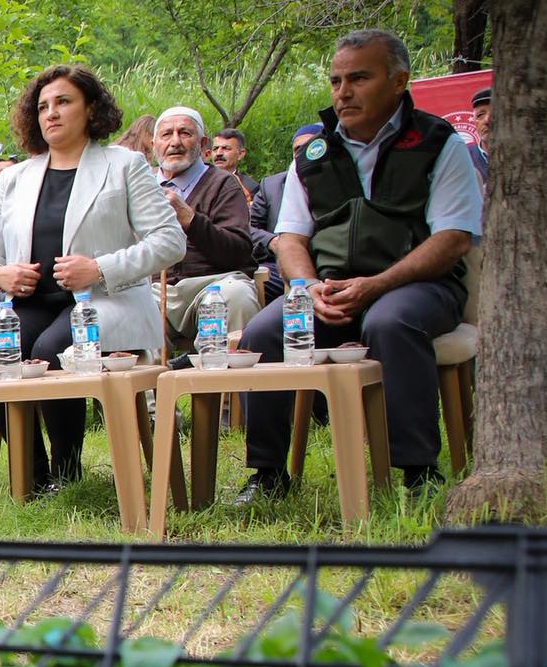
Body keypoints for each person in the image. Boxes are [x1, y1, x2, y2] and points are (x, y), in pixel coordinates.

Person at [233, 28, 482, 502]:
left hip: (420, 286)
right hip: (331, 292)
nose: (342, 92)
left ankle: (417, 473)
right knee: (264, 333)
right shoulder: (314, 153)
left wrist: (376, 285)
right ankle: (267, 474)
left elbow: (452, 238)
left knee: (391, 320)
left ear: (398, 81)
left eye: (359, 78)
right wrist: (307, 287)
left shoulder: (438, 143)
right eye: (335, 81)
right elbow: (289, 238)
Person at [0, 65, 183, 488]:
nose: (51, 113)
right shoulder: (15, 178)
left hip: (106, 301)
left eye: (63, 102)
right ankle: (32, 473)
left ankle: (67, 472)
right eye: (43, 106)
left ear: (91, 109)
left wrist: (100, 267)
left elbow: (170, 241)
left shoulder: (125, 166)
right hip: (32, 303)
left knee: (51, 348)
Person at [154, 106, 260, 359]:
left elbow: (239, 252)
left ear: (203, 144)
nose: (175, 142)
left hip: (213, 284)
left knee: (237, 296)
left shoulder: (223, 184)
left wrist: (191, 220)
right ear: (154, 143)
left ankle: (223, 397)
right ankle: (151, 399)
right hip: (155, 290)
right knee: (126, 310)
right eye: (166, 134)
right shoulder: (140, 185)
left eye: (185, 133)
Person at [248, 124, 324, 299]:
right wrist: (274, 242)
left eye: (310, 147)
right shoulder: (271, 185)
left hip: (326, 264)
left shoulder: (337, 180)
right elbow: (247, 228)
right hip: (279, 265)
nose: (303, 155)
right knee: (249, 289)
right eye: (298, 149)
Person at [208, 127, 260, 199]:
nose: (218, 153)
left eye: (226, 148)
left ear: (240, 154)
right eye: (215, 149)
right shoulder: (199, 181)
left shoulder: (251, 187)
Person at [468, 86, 491, 187]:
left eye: (496, 112)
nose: (487, 120)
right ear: (474, 123)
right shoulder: (464, 157)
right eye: (480, 115)